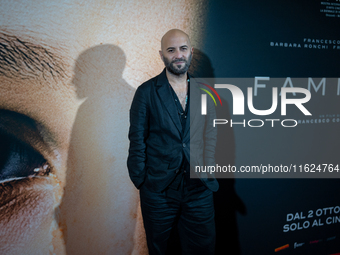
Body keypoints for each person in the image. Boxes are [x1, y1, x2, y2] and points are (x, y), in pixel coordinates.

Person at [127, 29, 219, 255]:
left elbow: (211, 135)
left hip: (199, 189)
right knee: (160, 250)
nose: (178, 55)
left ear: (191, 52)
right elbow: (136, 138)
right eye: (171, 50)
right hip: (159, 190)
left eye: (183, 49)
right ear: (162, 55)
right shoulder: (146, 92)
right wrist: (141, 180)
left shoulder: (206, 92)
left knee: (203, 249)